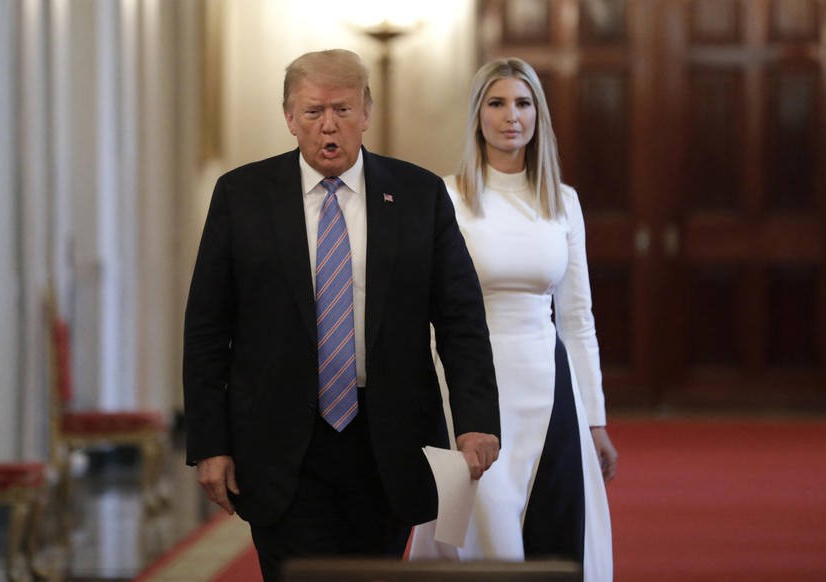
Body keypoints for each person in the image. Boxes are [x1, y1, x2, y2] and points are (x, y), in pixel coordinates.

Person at [182, 49, 501, 582]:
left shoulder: (421, 195)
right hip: (279, 443)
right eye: (313, 112)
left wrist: (475, 422)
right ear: (289, 118)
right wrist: (210, 445)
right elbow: (208, 331)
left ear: (366, 113)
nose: (328, 126)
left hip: (387, 443)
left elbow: (460, 318)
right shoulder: (242, 197)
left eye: (343, 110)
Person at [409, 58, 618, 580]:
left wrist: (595, 420)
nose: (511, 116)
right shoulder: (448, 197)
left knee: (553, 533)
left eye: (523, 103)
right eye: (497, 103)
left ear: (538, 115)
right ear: (477, 115)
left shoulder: (562, 202)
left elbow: (577, 317)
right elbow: (424, 312)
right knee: (479, 537)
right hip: (468, 389)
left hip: (549, 389)